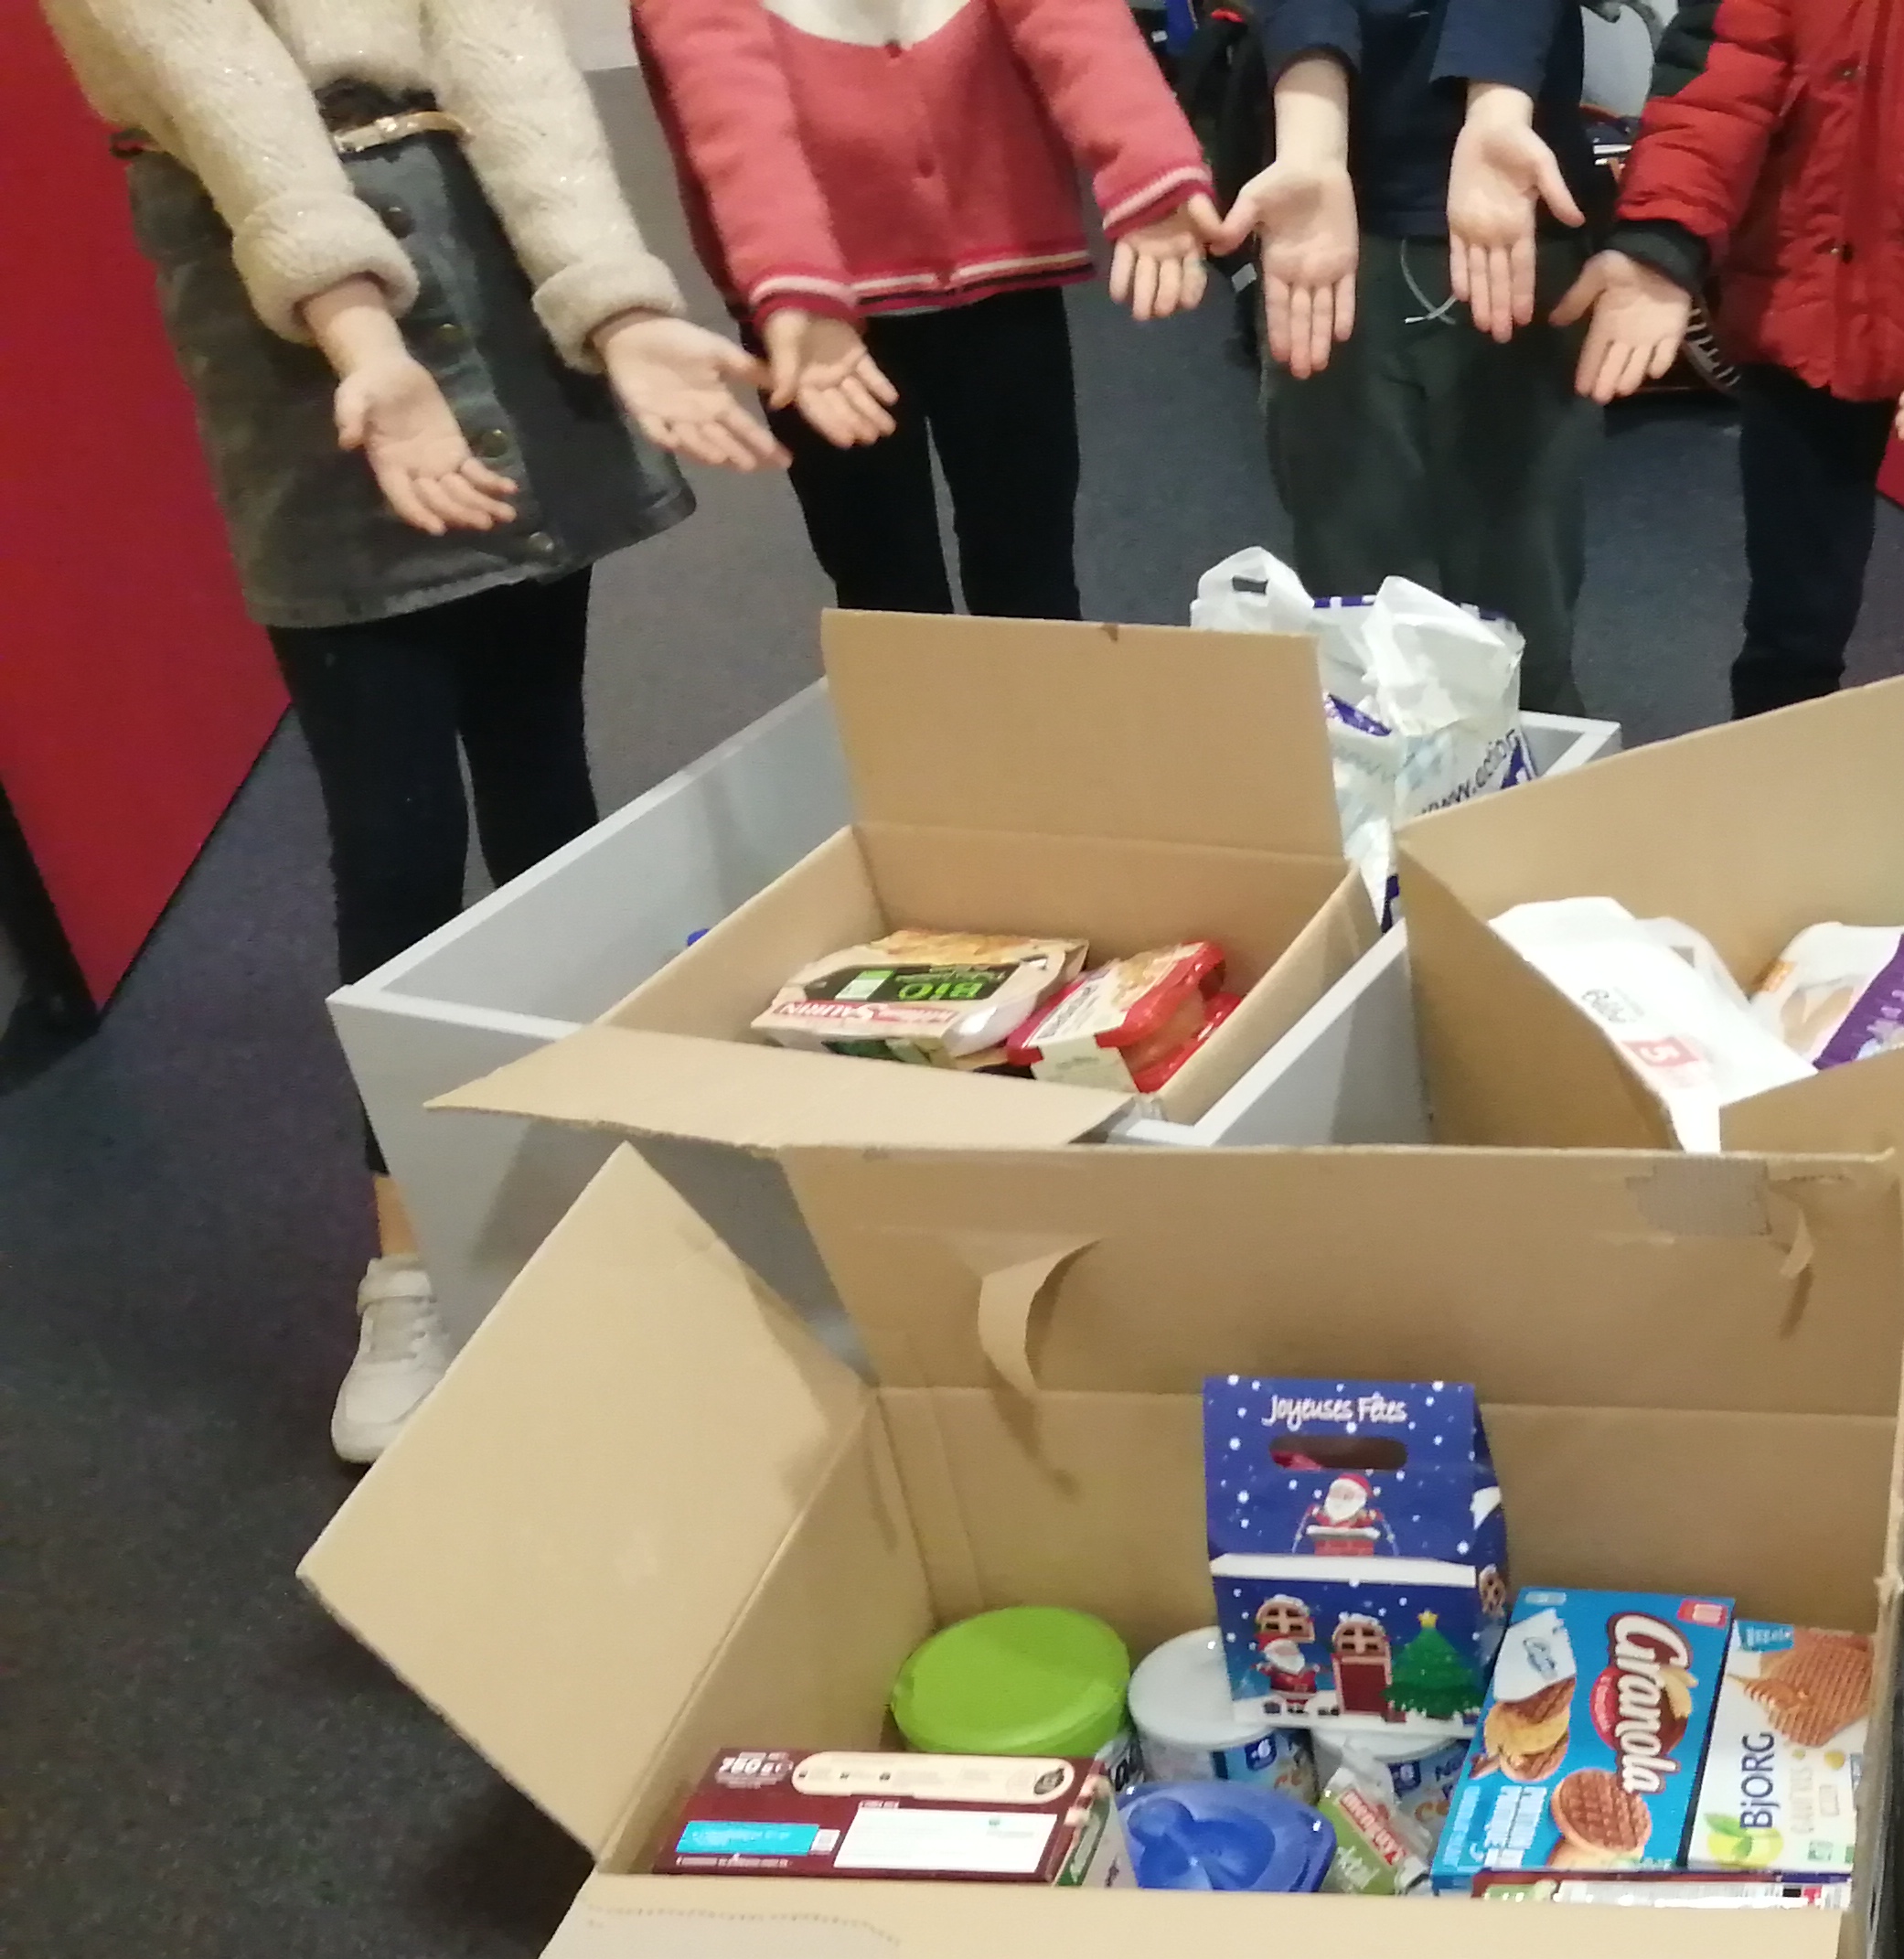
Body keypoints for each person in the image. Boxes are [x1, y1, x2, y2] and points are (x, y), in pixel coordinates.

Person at [44, 0, 784, 1461]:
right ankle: (416, 1260)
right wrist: (360, 335)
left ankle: (601, 1166)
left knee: (544, 781)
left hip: (482, 248)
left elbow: (506, 54)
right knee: (395, 838)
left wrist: (611, 299)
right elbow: (219, 80)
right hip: (287, 310)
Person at [1552, 0, 1904, 718]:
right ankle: (1777, 777)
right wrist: (1664, 231)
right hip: (1804, 281)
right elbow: (1721, 69)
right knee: (1791, 618)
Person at [635, 0, 1225, 619]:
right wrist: (792, 274)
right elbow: (730, 106)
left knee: (1031, 563)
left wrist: (1146, 161)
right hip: (814, 321)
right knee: (881, 581)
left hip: (999, 268)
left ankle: (1036, 684)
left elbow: (1075, 25)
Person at [1216, 0, 1608, 715]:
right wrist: (1313, 143)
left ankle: (1533, 759)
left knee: (1524, 589)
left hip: (1513, 201)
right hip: (1330, 221)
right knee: (1357, 594)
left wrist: (1495, 108)